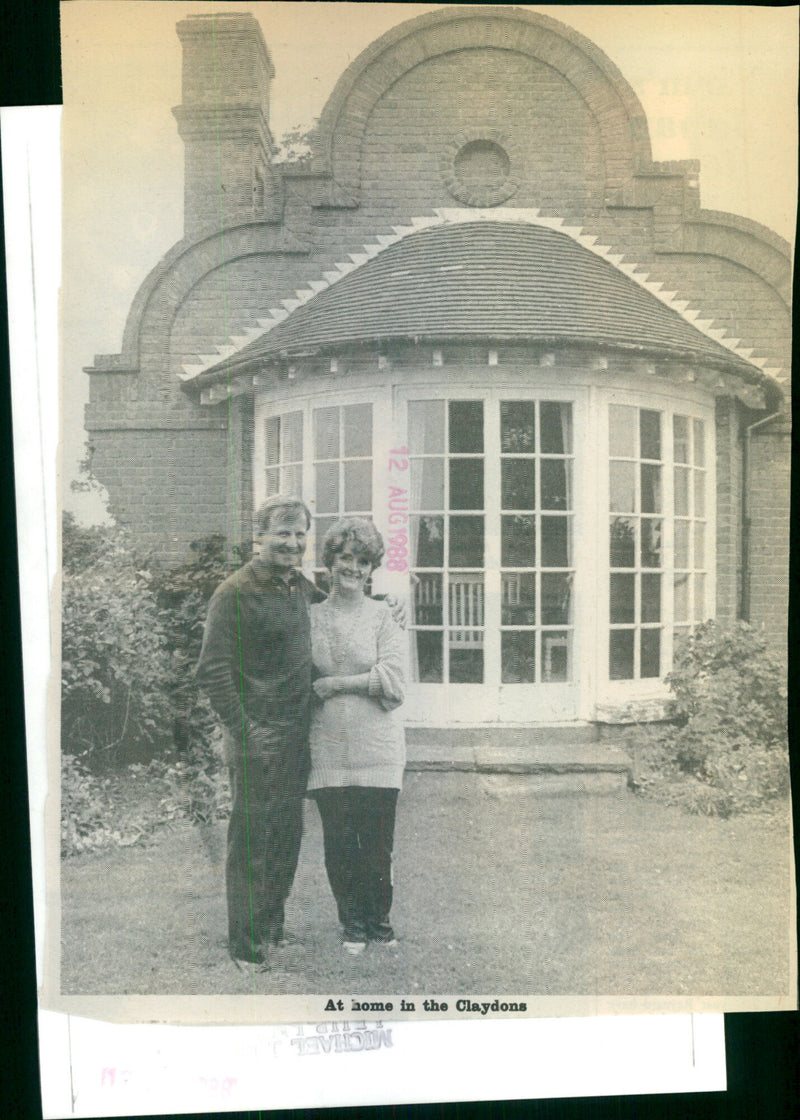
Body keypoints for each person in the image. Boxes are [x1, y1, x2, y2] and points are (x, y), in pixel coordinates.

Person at [196, 495, 324, 966]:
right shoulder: (234, 591)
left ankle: (272, 925)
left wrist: (382, 607)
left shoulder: (301, 589)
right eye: (282, 533)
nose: (292, 543)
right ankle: (245, 945)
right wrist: (244, 730)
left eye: (299, 534)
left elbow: (337, 618)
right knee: (251, 838)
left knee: (287, 833)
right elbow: (212, 670)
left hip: (296, 734)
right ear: (260, 537)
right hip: (255, 736)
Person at [308, 517, 406, 954]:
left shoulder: (385, 615)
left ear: (372, 568)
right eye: (345, 558)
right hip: (328, 746)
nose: (353, 568)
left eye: (363, 561)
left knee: (376, 846)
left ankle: (380, 927)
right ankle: (352, 928)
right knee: (340, 845)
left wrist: (337, 685)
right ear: (330, 562)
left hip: (379, 748)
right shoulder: (308, 619)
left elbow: (394, 681)